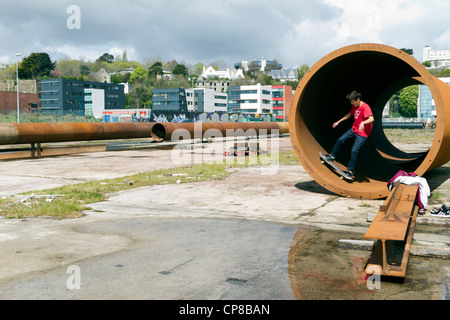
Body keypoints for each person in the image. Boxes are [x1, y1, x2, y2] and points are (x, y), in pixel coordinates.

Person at [323, 91, 374, 179]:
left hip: (363, 133)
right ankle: (332, 156)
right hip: (354, 129)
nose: (351, 103)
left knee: (354, 151)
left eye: (352, 101)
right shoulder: (355, 107)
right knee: (340, 140)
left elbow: (371, 119)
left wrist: (363, 122)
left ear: (358, 100)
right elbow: (349, 115)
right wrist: (338, 121)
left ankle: (350, 171)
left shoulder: (365, 107)